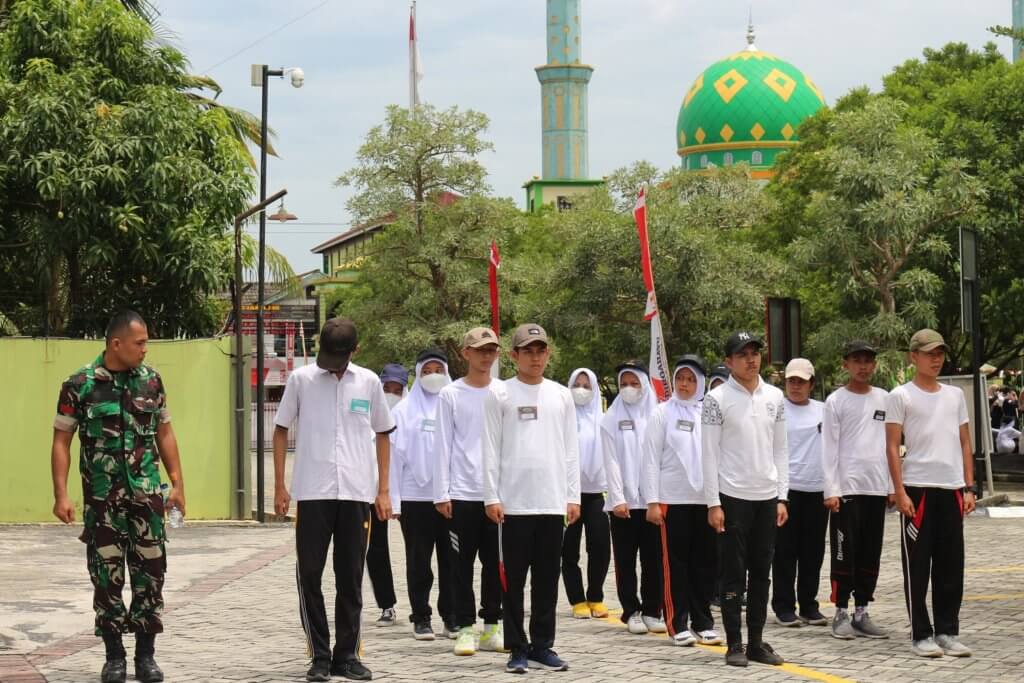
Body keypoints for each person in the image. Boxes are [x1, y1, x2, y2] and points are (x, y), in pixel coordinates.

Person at [51, 310, 185, 683]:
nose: (145, 349)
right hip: (102, 501)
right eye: (140, 343)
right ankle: (114, 657)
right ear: (116, 344)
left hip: (146, 498)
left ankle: (146, 657)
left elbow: (166, 433)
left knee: (151, 575)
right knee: (106, 578)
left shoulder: (152, 382)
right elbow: (62, 440)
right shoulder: (79, 384)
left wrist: (177, 484)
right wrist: (61, 494)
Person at [273, 318, 394, 682]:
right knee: (310, 574)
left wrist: (384, 490)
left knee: (351, 577)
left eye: (339, 357)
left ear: (354, 351)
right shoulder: (302, 380)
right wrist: (280, 485)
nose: (333, 364)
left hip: (357, 494)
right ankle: (319, 656)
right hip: (312, 493)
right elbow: (280, 429)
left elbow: (384, 435)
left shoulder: (370, 382)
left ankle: (347, 655)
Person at [483, 323, 580, 674]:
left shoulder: (560, 395)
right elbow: (490, 448)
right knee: (513, 581)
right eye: (528, 351)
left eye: (540, 350)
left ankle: (542, 645)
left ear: (548, 354)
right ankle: (517, 647)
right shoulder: (500, 393)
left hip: (552, 503)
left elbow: (571, 449)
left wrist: (572, 495)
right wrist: (491, 496)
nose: (535, 357)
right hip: (513, 505)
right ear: (514, 356)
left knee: (546, 580)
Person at [886, 329, 976, 659]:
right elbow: (892, 447)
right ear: (914, 357)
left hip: (951, 489)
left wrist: (968, 486)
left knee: (951, 565)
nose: (936, 358)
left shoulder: (954, 397)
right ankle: (920, 634)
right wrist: (899, 491)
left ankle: (948, 631)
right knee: (918, 565)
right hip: (918, 490)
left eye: (940, 353)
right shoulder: (900, 396)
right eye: (929, 353)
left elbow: (965, 442)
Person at [701, 330, 788, 668]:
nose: (751, 359)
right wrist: (713, 503)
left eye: (755, 352)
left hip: (766, 496)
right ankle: (734, 643)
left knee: (762, 572)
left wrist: (783, 496)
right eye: (743, 354)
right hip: (732, 496)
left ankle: (756, 641)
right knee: (733, 573)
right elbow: (708, 455)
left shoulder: (775, 397)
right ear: (729, 361)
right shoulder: (717, 399)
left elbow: (781, 450)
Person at [434, 327, 507, 656]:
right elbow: (443, 446)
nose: (486, 356)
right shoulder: (451, 394)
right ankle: (464, 627)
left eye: (491, 350)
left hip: (497, 496)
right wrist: (442, 492)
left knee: (496, 564)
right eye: (479, 350)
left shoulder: (505, 392)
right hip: (462, 494)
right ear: (465, 353)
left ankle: (492, 626)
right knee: (460, 566)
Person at [642, 355, 722, 647]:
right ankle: (677, 623)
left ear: (700, 382)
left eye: (691, 379)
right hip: (671, 500)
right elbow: (650, 459)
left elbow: (719, 455)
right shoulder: (662, 413)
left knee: (705, 564)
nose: (685, 384)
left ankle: (704, 622)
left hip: (705, 500)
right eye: (680, 378)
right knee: (675, 565)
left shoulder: (710, 413)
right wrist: (652, 500)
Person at [822, 341, 892, 641]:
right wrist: (831, 489)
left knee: (869, 552)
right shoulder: (836, 401)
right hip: (846, 490)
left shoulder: (886, 399)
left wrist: (892, 487)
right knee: (843, 551)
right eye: (856, 360)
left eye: (868, 360)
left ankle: (862, 611)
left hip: (876, 489)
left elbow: (892, 446)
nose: (863, 366)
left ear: (874, 365)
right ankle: (840, 611)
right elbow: (829, 449)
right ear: (845, 364)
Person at [391, 349, 455, 641]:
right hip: (415, 498)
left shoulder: (455, 405)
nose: (433, 377)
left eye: (437, 370)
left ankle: (451, 616)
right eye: (426, 371)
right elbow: (393, 458)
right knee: (419, 561)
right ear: (417, 375)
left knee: (452, 561)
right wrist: (393, 499)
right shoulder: (403, 411)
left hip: (452, 498)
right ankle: (421, 616)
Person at [603, 360, 666, 636]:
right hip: (624, 504)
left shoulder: (658, 415)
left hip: (653, 502)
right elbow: (611, 461)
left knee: (654, 559)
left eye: (634, 383)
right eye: (624, 384)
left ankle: (654, 610)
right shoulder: (611, 418)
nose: (629, 388)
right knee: (626, 560)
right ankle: (632, 610)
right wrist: (617, 497)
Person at [771, 358, 828, 629]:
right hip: (787, 490)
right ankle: (783, 605)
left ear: (811, 384)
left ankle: (809, 604)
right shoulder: (776, 409)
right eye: (792, 381)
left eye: (801, 382)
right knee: (784, 552)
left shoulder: (823, 410)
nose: (796, 386)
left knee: (812, 553)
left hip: (817, 489)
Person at [561, 368, 611, 620]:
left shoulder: (603, 419)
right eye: (576, 384)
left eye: (586, 385)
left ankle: (596, 596)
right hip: (568, 494)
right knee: (569, 549)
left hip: (595, 492)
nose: (581, 390)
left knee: (600, 546)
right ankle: (577, 599)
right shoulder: (562, 418)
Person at [366, 363, 408, 628]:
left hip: (410, 493)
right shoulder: (368, 414)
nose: (391, 393)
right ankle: (386, 605)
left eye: (396, 389)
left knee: (418, 552)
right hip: (372, 492)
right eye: (387, 388)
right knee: (375, 549)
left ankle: (424, 610)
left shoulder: (410, 414)